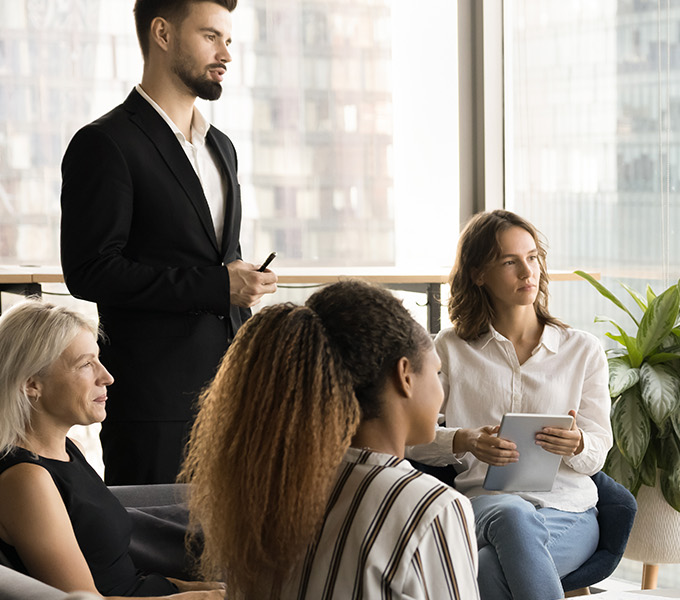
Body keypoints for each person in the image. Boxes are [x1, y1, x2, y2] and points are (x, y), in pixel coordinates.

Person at [58, 0, 277, 486]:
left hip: (234, 399)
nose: (226, 54)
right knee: (158, 554)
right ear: (162, 33)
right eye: (210, 37)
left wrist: (242, 281)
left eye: (229, 40)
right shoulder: (105, 143)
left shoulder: (222, 147)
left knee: (231, 558)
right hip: (154, 408)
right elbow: (90, 270)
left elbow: (214, 258)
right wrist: (218, 286)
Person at [179, 281, 477, 598]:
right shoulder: (428, 507)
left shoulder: (272, 491)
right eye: (438, 373)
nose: (441, 391)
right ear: (404, 375)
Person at [407, 210, 612, 600]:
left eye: (533, 258)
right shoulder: (450, 348)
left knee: (485, 572)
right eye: (510, 261)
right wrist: (464, 440)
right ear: (478, 274)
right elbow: (412, 440)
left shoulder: (583, 350)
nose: (527, 271)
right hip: (485, 507)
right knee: (512, 513)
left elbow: (598, 452)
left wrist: (579, 444)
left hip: (566, 512)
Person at [0, 301, 222, 598]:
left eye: (99, 360)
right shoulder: (26, 480)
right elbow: (87, 598)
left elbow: (117, 573)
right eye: (86, 365)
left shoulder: (68, 449)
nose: (107, 377)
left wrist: (190, 588)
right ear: (31, 384)